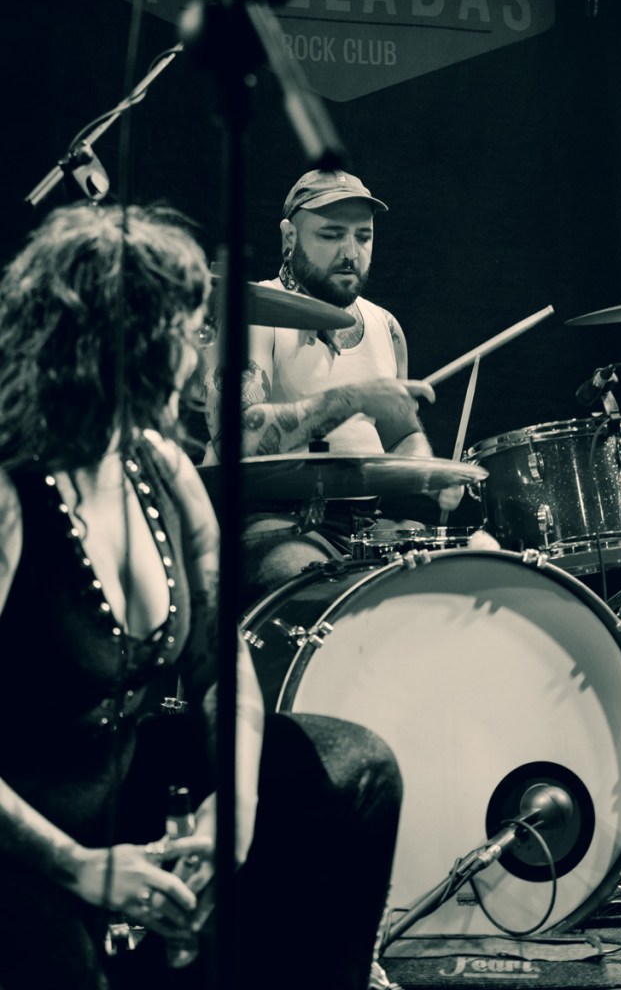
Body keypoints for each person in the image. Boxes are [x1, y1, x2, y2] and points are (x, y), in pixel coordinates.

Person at [0, 202, 403, 990]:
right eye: (190, 330)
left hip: (115, 789)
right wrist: (77, 866)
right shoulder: (12, 486)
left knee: (355, 769)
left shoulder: (160, 469)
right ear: (133, 339)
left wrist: (234, 809)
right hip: (25, 828)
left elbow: (222, 665)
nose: (200, 352)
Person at [201, 168, 465, 611]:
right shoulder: (253, 313)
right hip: (270, 522)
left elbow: (401, 434)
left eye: (363, 237)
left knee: (458, 577)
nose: (351, 252)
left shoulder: (385, 326)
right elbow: (234, 438)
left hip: (363, 526)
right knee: (318, 590)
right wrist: (349, 400)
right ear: (289, 237)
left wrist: (431, 476)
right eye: (331, 235)